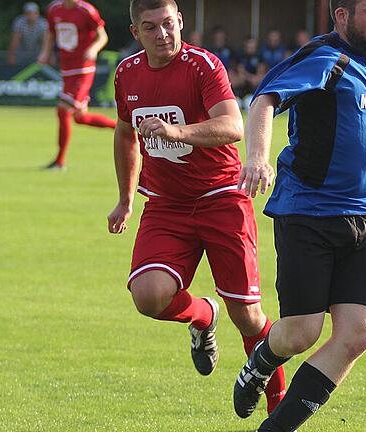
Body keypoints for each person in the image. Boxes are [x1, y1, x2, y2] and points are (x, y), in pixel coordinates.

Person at [108, 0, 287, 415]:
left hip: (221, 196)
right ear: (136, 33)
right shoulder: (127, 73)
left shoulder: (203, 65)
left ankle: (279, 411)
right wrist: (125, 198)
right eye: (150, 28)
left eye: (168, 24)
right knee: (148, 296)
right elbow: (124, 134)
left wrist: (177, 131)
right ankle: (203, 315)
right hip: (167, 205)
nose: (162, 34)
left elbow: (232, 126)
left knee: (248, 316)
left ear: (180, 22)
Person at [232, 0, 366, 430]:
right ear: (342, 16)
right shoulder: (326, 58)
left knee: (357, 335)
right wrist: (258, 158)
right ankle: (261, 361)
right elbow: (264, 99)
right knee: (301, 333)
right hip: (310, 213)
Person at [37, 0, 117, 170]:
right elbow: (50, 33)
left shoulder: (87, 10)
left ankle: (59, 161)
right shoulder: (54, 9)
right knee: (80, 117)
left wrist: (94, 49)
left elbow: (102, 36)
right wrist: (45, 52)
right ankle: (121, 128)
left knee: (63, 108)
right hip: (66, 68)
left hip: (83, 68)